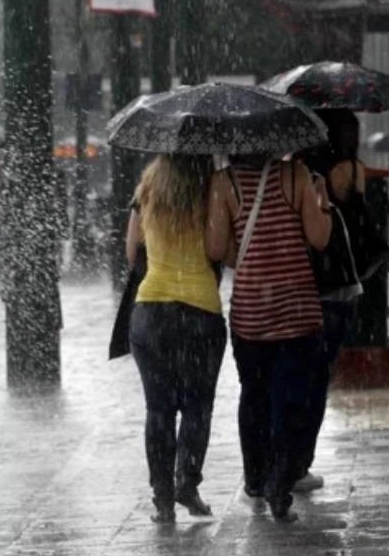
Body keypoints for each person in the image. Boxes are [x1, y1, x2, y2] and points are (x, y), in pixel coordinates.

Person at [208, 152, 332, 522]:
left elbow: (215, 248)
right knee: (291, 398)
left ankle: (256, 478)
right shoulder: (295, 175)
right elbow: (319, 238)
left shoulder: (223, 182)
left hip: (251, 313)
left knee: (254, 395)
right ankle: (281, 480)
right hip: (297, 308)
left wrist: (248, 258)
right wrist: (321, 200)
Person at [124, 154, 227, 524]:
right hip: (199, 312)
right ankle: (188, 481)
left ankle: (162, 499)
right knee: (197, 407)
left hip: (150, 312)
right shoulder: (211, 186)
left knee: (158, 409)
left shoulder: (148, 187)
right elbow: (217, 249)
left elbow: (130, 250)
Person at [297, 110, 368, 493]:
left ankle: (282, 458)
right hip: (340, 285)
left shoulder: (301, 172)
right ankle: (301, 460)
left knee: (296, 375)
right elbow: (360, 224)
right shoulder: (351, 170)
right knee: (319, 378)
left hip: (303, 283)